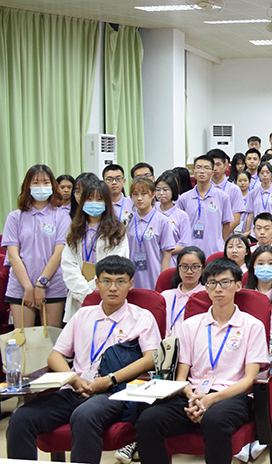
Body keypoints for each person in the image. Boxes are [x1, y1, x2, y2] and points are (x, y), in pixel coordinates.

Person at [6, 255, 160, 464]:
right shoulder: (83, 315)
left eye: (120, 281)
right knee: (21, 418)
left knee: (84, 416)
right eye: (106, 281)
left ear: (130, 284)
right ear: (96, 283)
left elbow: (150, 359)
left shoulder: (141, 317)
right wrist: (74, 379)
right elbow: (55, 356)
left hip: (114, 392)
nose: (113, 288)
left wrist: (109, 379)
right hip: (75, 389)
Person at [135, 258, 268, 464]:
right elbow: (181, 377)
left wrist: (212, 399)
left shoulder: (252, 326)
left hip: (231, 395)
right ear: (206, 287)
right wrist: (192, 397)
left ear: (238, 286)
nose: (218, 289)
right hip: (194, 394)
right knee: (148, 420)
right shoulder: (190, 325)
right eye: (212, 283)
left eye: (225, 282)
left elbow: (249, 380)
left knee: (214, 420)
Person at [2, 164, 71, 328]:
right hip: (20, 286)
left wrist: (41, 284)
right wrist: (28, 287)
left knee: (50, 338)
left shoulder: (62, 216)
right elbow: (13, 255)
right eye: (36, 182)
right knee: (23, 339)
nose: (41, 187)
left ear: (52, 186)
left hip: (53, 285)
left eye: (46, 182)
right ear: (27, 186)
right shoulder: (15, 217)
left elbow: (59, 253)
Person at [61, 180, 128, 322]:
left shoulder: (117, 231)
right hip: (78, 299)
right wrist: (84, 294)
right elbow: (68, 265)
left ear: (107, 202)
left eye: (99, 199)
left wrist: (93, 290)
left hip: (106, 294)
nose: (94, 203)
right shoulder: (73, 230)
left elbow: (115, 264)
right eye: (89, 199)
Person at [176, 155, 234, 257]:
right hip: (190, 252)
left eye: (206, 168)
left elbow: (227, 224)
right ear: (193, 171)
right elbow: (179, 225)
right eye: (198, 167)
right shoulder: (184, 198)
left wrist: (219, 242)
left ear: (212, 172)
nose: (202, 171)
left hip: (215, 251)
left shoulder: (222, 197)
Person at [162, 247, 206, 338]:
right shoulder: (165, 296)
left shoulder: (208, 295)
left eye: (195, 267)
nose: (189, 272)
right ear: (178, 268)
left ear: (202, 268)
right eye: (184, 267)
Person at [207, 149, 243, 237]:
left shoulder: (234, 189)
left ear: (225, 165)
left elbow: (236, 219)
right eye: (212, 165)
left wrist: (221, 238)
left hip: (226, 237)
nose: (214, 168)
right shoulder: (203, 188)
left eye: (218, 164)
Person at [245, 162, 272, 233]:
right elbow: (250, 214)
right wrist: (247, 232)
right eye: (262, 173)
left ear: (271, 173)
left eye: (267, 172)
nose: (264, 175)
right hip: (257, 231)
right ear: (258, 175)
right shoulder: (253, 193)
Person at [154, 171, 190, 254]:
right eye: (158, 190)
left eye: (165, 190)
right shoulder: (153, 212)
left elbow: (185, 245)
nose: (161, 193)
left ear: (173, 191)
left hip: (173, 258)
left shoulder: (182, 216)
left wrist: (162, 249)